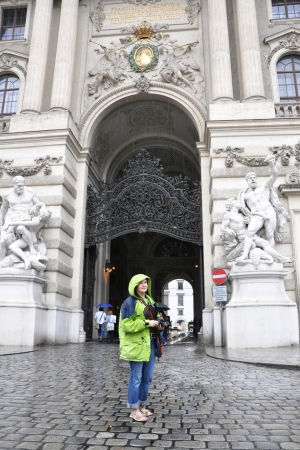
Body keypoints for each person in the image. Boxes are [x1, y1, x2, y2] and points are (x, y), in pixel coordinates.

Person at [119, 274, 163, 422]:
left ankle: (143, 406)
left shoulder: (149, 300)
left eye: (145, 282)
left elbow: (154, 318)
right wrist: (147, 323)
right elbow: (126, 325)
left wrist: (158, 324)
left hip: (150, 342)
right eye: (140, 283)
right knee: (136, 378)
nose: (144, 285)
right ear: (134, 285)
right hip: (137, 344)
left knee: (148, 377)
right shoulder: (129, 302)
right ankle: (134, 409)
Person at [237, 154, 289, 261]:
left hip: (268, 211)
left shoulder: (264, 187)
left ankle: (268, 257)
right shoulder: (245, 195)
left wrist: (272, 163)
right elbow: (243, 208)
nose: (252, 179)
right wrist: (247, 216)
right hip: (256, 215)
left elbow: (274, 174)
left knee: (270, 234)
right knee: (249, 232)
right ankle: (245, 254)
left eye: (254, 177)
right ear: (247, 181)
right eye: (250, 178)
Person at [0, 176, 40, 260]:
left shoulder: (30, 192)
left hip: (25, 217)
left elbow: (38, 205)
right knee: (3, 240)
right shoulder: (7, 194)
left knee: (21, 229)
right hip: (11, 217)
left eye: (22, 185)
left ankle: (31, 247)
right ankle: (2, 263)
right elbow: (4, 208)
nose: (20, 187)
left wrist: (39, 209)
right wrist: (1, 220)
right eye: (18, 185)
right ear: (14, 185)